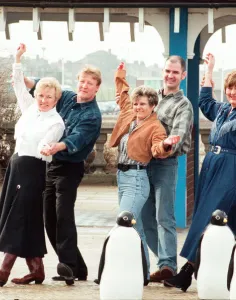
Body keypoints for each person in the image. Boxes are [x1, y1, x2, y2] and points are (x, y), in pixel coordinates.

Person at [95, 62, 180, 283]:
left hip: (137, 178)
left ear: (153, 106)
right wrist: (120, 74)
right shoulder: (129, 116)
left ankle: (109, 271)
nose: (137, 107)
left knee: (123, 224)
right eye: (136, 103)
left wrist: (167, 145)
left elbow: (157, 147)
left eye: (142, 104)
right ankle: (142, 273)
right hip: (122, 178)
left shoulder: (156, 127)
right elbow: (122, 96)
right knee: (137, 228)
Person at [0, 43, 65, 287]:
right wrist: (17, 58)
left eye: (49, 97)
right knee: (27, 219)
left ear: (56, 99)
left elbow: (47, 143)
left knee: (18, 217)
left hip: (33, 169)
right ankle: (37, 270)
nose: (43, 100)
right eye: (41, 95)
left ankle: (4, 268)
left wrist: (46, 147)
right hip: (16, 167)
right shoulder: (29, 108)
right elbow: (18, 84)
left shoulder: (57, 122)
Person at [24, 63, 102, 285]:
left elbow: (74, 140)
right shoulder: (66, 97)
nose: (84, 86)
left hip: (70, 168)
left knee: (63, 215)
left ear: (97, 88)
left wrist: (53, 146)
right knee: (49, 218)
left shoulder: (93, 116)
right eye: (82, 81)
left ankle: (68, 266)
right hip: (51, 165)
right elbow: (41, 87)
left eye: (90, 83)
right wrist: (22, 76)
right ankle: (79, 267)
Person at [164, 53, 236, 291]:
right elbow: (205, 103)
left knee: (209, 217)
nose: (232, 93)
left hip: (230, 168)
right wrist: (209, 71)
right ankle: (211, 271)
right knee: (222, 219)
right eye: (230, 89)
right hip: (212, 165)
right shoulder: (224, 109)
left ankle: (187, 270)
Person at [141, 55, 194, 282]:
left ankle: (168, 267)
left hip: (165, 163)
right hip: (142, 164)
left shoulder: (184, 105)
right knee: (144, 218)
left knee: (164, 217)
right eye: (167, 71)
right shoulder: (151, 98)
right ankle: (162, 262)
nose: (170, 75)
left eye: (175, 72)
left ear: (183, 75)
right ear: (162, 71)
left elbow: (178, 137)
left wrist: (161, 146)